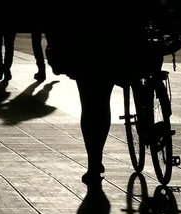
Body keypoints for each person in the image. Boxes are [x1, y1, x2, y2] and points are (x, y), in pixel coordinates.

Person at [45, 0, 166, 186]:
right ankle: (147, 120)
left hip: (85, 46)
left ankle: (94, 164)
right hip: (127, 42)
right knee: (143, 75)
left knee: (94, 106)